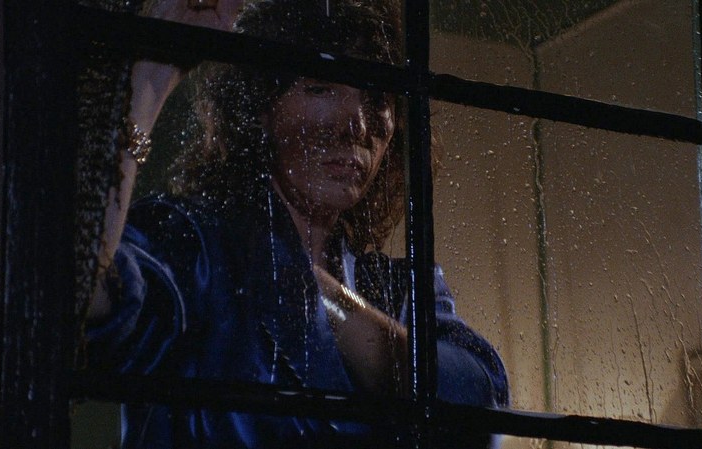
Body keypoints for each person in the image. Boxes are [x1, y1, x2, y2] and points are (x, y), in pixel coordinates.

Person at [86, 0, 508, 447]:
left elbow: (478, 408)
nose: (356, 125)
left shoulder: (399, 288)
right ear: (260, 108)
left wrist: (312, 286)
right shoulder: (195, 247)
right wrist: (150, 75)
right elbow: (79, 293)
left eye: (377, 99)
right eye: (322, 88)